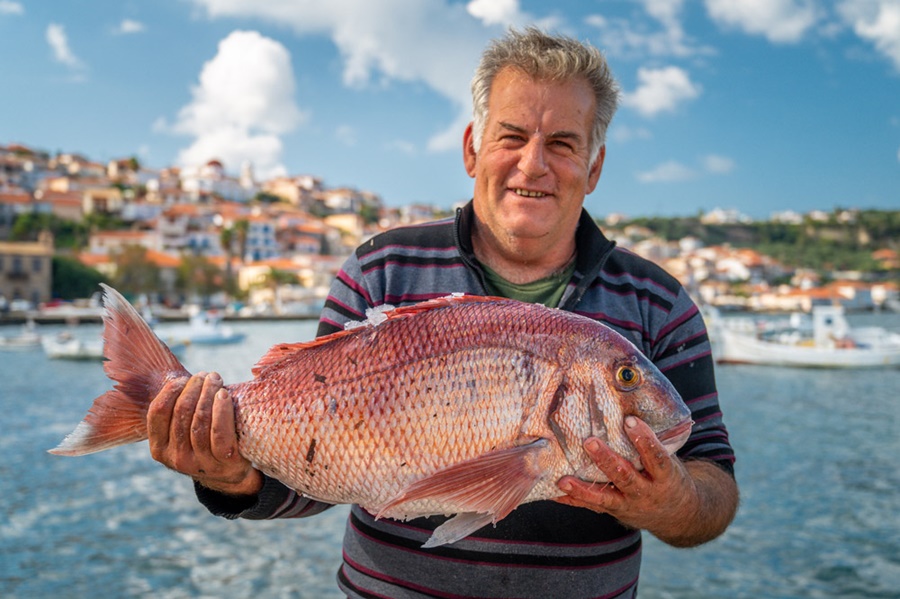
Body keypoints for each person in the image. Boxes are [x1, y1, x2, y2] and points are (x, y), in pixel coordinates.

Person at [147, 27, 739, 598]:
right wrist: (231, 479)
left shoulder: (660, 301)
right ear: (471, 149)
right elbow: (318, 478)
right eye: (511, 136)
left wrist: (675, 501)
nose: (533, 164)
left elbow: (713, 484)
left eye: (562, 143)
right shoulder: (380, 269)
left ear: (595, 167)